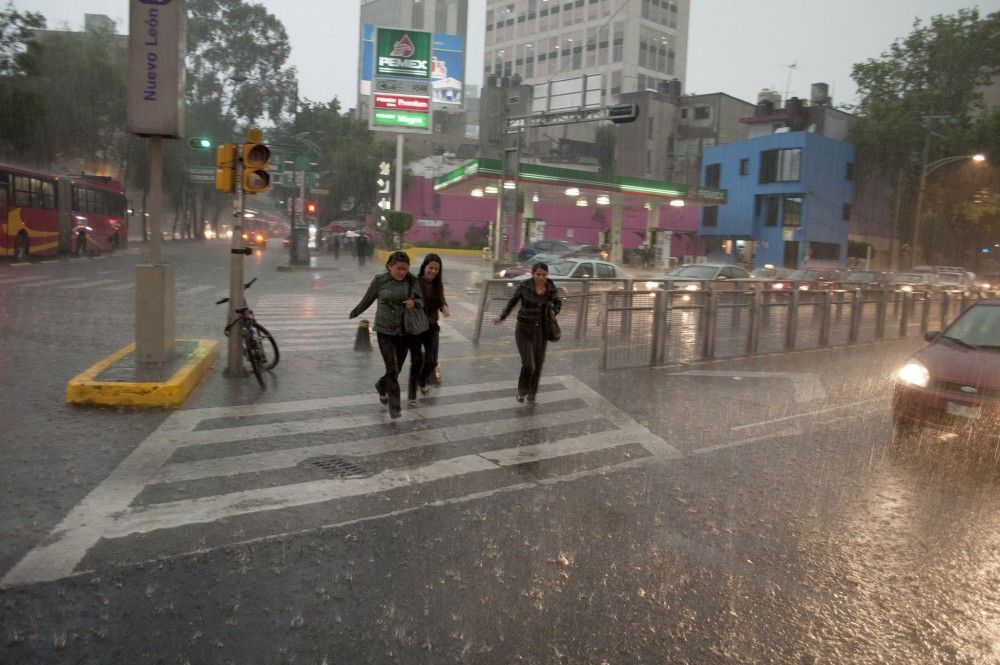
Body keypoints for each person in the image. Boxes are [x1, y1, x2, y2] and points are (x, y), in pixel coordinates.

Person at [349, 251, 423, 418]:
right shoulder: (379, 281)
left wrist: (414, 302)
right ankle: (395, 406)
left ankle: (381, 386)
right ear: (390, 267)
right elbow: (367, 299)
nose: (402, 272)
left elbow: (421, 301)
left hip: (405, 331)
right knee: (391, 367)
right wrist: (356, 311)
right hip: (384, 330)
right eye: (398, 268)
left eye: (405, 269)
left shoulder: (413, 281)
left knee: (396, 370)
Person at [493, 262, 562, 403]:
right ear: (533, 274)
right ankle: (522, 391)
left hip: (541, 332)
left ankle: (532, 393)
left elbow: (558, 303)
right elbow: (513, 302)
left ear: (547, 275)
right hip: (524, 330)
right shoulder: (525, 286)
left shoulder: (550, 288)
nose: (541, 277)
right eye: (538, 274)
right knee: (529, 364)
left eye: (544, 274)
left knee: (538, 364)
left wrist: (553, 312)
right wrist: (502, 316)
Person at [408, 253, 450, 404]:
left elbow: (440, 299)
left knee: (432, 361)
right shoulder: (414, 282)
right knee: (416, 361)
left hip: (432, 327)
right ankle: (412, 395)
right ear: (424, 267)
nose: (433, 271)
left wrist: (444, 306)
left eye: (436, 269)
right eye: (430, 267)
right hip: (415, 328)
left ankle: (423, 380)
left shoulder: (438, 284)